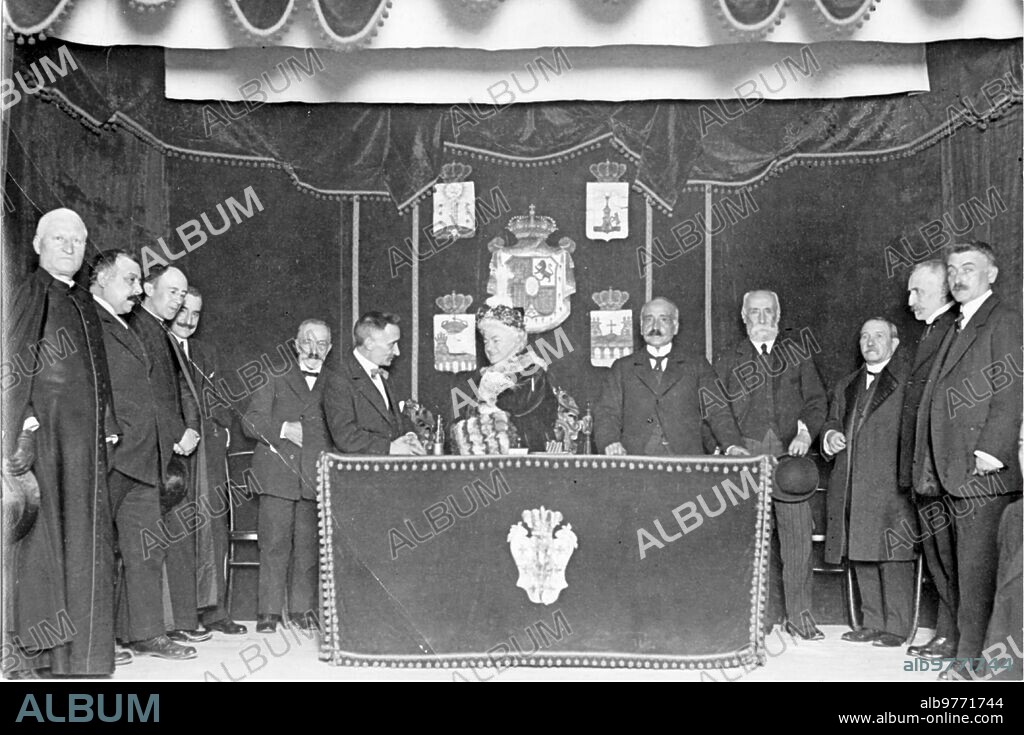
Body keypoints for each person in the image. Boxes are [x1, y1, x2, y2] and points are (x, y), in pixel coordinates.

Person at [1, 209, 117, 678]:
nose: (69, 247)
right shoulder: (29, 293)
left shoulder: (85, 302)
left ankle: (81, 660)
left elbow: (97, 372)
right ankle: (34, 656)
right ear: (37, 245)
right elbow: (11, 363)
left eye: (77, 241)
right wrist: (21, 422)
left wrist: (108, 418)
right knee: (42, 547)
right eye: (59, 239)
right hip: (44, 437)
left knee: (85, 545)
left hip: (85, 444)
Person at [915, 241, 1022, 675]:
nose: (959, 277)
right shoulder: (960, 323)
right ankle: (966, 654)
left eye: (970, 268)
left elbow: (1012, 389)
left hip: (981, 471)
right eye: (953, 270)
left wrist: (990, 452)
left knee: (976, 578)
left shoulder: (1004, 319)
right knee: (961, 574)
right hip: (951, 469)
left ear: (991, 275)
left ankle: (972, 664)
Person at [91, 250, 195, 661]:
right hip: (111, 456)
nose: (137, 290)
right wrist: (110, 437)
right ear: (100, 281)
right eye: (129, 281)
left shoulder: (129, 324)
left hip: (142, 459)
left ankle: (147, 634)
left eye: (138, 282)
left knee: (144, 550)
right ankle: (96, 640)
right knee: (98, 552)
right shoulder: (87, 321)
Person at [715, 290, 827, 640]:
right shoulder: (728, 357)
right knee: (746, 543)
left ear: (778, 315)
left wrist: (805, 435)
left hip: (789, 462)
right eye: (754, 312)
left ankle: (800, 618)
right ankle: (752, 622)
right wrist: (730, 445)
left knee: (797, 543)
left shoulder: (798, 354)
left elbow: (816, 400)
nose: (761, 318)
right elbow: (714, 407)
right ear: (744, 317)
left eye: (768, 312)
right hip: (743, 460)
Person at [823, 318, 917, 647]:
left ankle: (898, 627)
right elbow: (833, 420)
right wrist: (830, 435)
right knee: (861, 549)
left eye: (878, 336)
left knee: (894, 554)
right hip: (852, 481)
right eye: (864, 336)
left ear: (894, 344)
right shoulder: (846, 383)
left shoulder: (909, 379)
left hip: (892, 482)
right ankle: (872, 622)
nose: (870, 342)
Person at [128, 265, 207, 646]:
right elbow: (148, 393)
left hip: (164, 446)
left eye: (182, 294)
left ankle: (156, 627)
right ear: (147, 289)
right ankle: (145, 632)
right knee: (143, 545)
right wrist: (179, 432)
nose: (178, 300)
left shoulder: (157, 329)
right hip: (147, 450)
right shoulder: (142, 327)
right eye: (171, 292)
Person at [243, 320, 332, 633]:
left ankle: (302, 610)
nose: (313, 349)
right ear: (296, 344)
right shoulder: (274, 378)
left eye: (321, 344)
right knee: (274, 545)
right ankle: (268, 612)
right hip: (277, 477)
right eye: (308, 341)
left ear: (329, 349)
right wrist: (282, 429)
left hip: (313, 479)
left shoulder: (335, 384)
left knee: (308, 548)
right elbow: (250, 423)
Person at [169, 286, 246, 636]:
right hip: (177, 453)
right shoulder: (158, 346)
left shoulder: (205, 352)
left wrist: (222, 432)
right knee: (180, 534)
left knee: (214, 530)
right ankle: (182, 617)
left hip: (209, 453)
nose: (187, 320)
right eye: (182, 310)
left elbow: (220, 402)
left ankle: (214, 612)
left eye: (196, 314)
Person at [594, 296, 745, 456]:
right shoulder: (622, 367)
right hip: (635, 460)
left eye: (663, 319)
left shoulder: (697, 365)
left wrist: (732, 445)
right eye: (649, 319)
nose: (655, 326)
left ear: (676, 327)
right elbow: (607, 412)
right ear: (641, 327)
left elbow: (718, 411)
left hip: (685, 461)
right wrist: (610, 442)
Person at [898, 260, 958, 661]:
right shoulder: (932, 332)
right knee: (938, 556)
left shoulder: (952, 330)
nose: (910, 300)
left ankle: (954, 635)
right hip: (925, 470)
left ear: (944, 290)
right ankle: (947, 632)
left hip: (940, 469)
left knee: (950, 558)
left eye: (917, 291)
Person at [322, 311, 423, 455]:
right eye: (392, 344)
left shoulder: (381, 373)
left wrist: (409, 436)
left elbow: (394, 418)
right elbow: (345, 436)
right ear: (369, 343)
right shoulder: (339, 378)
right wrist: (391, 448)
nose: (397, 351)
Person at [466, 301, 559, 451]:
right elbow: (468, 412)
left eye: (496, 340)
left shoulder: (532, 370)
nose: (489, 348)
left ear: (515, 340)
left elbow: (518, 405)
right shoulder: (486, 374)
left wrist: (491, 390)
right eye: (485, 341)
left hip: (530, 451)